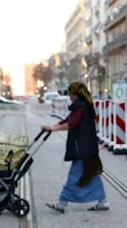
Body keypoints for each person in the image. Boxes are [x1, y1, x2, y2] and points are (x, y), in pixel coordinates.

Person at [41, 81, 108, 213]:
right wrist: (51, 127)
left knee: (75, 175)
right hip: (87, 147)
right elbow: (67, 120)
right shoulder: (83, 105)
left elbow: (71, 124)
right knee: (91, 173)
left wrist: (53, 129)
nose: (68, 96)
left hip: (82, 148)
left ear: (74, 94)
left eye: (69, 93)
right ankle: (103, 201)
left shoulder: (81, 107)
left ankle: (61, 203)